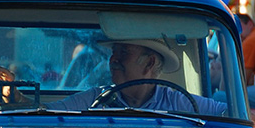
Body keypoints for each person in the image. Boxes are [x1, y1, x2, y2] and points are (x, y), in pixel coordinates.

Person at [52, 39, 227, 116]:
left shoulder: (176, 101)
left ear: (149, 63)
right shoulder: (96, 98)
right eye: (114, 52)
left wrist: (245, 114)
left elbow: (226, 113)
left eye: (124, 52)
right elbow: (46, 112)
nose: (113, 59)